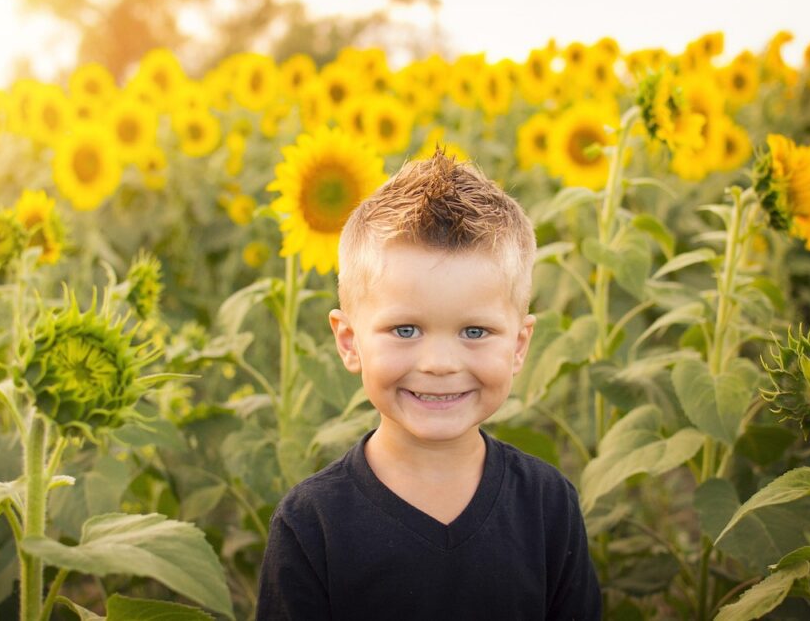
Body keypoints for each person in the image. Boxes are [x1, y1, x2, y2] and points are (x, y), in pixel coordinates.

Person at [256, 149, 601, 620]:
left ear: (519, 346)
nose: (439, 364)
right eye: (406, 330)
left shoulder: (547, 508)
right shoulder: (312, 524)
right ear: (349, 341)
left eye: (474, 332)